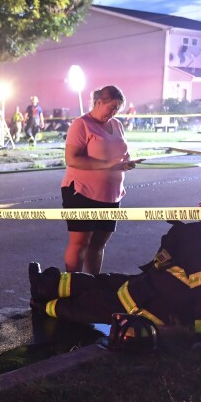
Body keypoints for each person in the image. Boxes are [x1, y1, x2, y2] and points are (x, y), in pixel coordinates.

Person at [29, 184, 201, 349]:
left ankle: (43, 305)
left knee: (93, 302)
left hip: (153, 305)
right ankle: (45, 284)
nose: (199, 206)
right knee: (105, 280)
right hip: (151, 288)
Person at [61, 85, 138, 274]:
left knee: (98, 244)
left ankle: (92, 286)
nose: (114, 112)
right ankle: (72, 285)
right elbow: (72, 159)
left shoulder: (117, 125)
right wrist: (106, 164)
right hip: (82, 192)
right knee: (80, 242)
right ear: (98, 102)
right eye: (111, 107)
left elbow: (122, 152)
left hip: (111, 195)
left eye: (117, 108)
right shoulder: (82, 124)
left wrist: (127, 162)